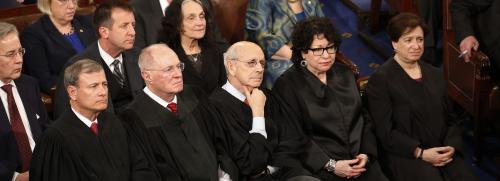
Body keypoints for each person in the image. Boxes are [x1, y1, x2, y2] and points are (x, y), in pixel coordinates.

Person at [365, 13, 478, 181]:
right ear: (394, 43)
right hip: (406, 154)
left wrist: (452, 147)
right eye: (408, 40)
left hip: (441, 149)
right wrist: (421, 153)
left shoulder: (435, 74)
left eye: (419, 39)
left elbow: (451, 119)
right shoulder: (380, 81)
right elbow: (385, 132)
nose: (416, 45)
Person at [273, 17, 388, 180]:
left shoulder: (345, 73)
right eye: (318, 49)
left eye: (331, 47)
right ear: (303, 52)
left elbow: (364, 116)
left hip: (360, 163)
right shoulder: (288, 85)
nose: (326, 55)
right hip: (320, 168)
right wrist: (331, 165)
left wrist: (366, 153)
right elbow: (294, 136)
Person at [30, 59, 156, 181]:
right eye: (93, 86)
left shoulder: (115, 123)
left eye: (104, 84)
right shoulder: (56, 139)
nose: (103, 92)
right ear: (73, 92)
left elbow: (140, 167)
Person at [120, 44, 231, 181]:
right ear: (147, 75)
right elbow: (145, 170)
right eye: (168, 69)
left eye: (179, 66)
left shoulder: (195, 95)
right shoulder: (133, 117)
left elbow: (220, 139)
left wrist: (225, 173)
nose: (178, 74)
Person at [209, 41, 316, 181]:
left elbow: (292, 139)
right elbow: (250, 164)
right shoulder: (215, 106)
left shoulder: (267, 96)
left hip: (283, 171)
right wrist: (258, 115)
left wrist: (271, 168)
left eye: (262, 63)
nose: (260, 69)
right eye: (251, 63)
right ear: (231, 66)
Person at [53, 1, 144, 119]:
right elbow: (64, 116)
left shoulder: (139, 56)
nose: (132, 32)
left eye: (133, 25)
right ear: (104, 32)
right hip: (103, 132)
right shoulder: (76, 66)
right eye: (124, 26)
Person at [0, 22, 48, 181]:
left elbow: (46, 129)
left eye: (20, 52)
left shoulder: (29, 84)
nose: (19, 60)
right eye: (11, 54)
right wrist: (16, 178)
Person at [21, 0, 97, 93]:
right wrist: (87, 84)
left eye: (73, 0)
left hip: (102, 84)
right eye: (63, 1)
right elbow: (45, 81)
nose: (71, 6)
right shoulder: (33, 35)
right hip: (69, 93)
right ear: (47, 3)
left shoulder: (87, 22)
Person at [246, 0, 324, 88]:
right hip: (276, 61)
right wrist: (301, 59)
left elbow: (324, 29)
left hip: (312, 55)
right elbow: (261, 37)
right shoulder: (261, 2)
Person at [158, 0, 226, 94]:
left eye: (202, 16)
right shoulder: (166, 55)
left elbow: (224, 89)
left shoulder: (215, 51)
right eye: (191, 18)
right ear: (177, 23)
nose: (200, 23)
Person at [130, 0, 228, 50]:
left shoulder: (201, 2)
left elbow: (219, 43)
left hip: (205, 71)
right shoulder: (138, 7)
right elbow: (139, 54)